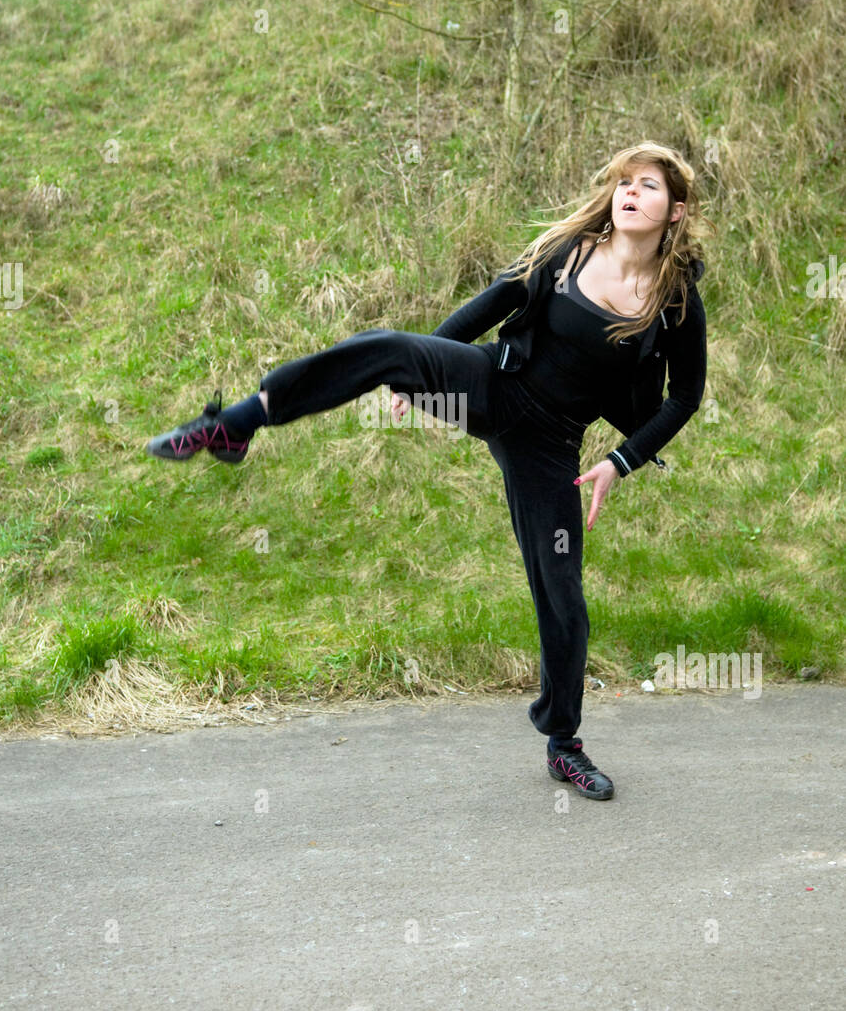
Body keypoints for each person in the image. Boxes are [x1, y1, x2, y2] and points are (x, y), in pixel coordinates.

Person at [146, 141, 709, 801]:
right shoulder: (567, 251)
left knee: (564, 601)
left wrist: (621, 461)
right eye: (624, 182)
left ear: (675, 210)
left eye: (647, 185)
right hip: (497, 384)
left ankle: (564, 744)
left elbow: (684, 397)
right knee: (385, 348)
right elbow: (488, 307)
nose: (630, 192)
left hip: (550, 445)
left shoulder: (673, 302)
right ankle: (234, 425)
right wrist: (428, 374)